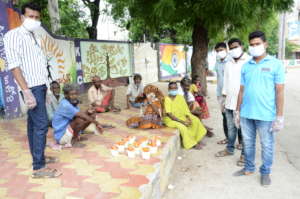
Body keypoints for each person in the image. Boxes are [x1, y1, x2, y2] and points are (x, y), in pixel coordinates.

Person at [3, 2, 60, 178]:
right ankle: (39, 167)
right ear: (22, 17)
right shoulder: (13, 36)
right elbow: (14, 66)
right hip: (31, 87)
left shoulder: (34, 36)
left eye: (36, 17)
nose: (34, 20)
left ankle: (38, 157)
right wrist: (26, 91)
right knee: (42, 125)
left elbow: (39, 65)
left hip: (40, 86)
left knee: (33, 124)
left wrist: (47, 89)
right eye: (30, 16)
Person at [235, 31, 285, 186]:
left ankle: (265, 172)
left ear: (265, 44)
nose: (254, 47)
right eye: (252, 44)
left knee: (267, 145)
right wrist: (237, 111)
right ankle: (249, 167)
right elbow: (241, 90)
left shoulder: (275, 64)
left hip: (266, 115)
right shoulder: (246, 66)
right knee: (248, 143)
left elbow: (280, 91)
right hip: (246, 113)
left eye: (258, 44)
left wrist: (280, 116)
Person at [215, 38, 250, 167]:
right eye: (232, 48)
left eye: (236, 47)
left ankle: (245, 155)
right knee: (231, 129)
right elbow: (225, 82)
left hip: (243, 103)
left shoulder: (249, 61)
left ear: (241, 46)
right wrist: (223, 99)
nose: (234, 50)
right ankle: (229, 149)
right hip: (229, 101)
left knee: (245, 130)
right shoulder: (229, 63)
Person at [52, 83, 104, 148]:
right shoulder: (65, 104)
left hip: (67, 131)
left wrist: (87, 112)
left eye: (76, 94)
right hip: (61, 137)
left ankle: (76, 136)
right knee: (80, 120)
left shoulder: (71, 102)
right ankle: (74, 141)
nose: (74, 96)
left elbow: (77, 115)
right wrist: (97, 123)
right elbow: (80, 116)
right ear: (66, 95)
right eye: (72, 94)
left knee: (91, 116)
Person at [163, 82, 207, 150]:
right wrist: (183, 122)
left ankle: (196, 139)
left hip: (182, 115)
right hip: (171, 119)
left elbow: (186, 110)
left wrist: (188, 117)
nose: (174, 90)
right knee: (182, 127)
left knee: (195, 120)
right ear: (169, 89)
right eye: (172, 88)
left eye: (175, 88)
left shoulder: (180, 97)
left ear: (177, 88)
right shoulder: (167, 99)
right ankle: (191, 144)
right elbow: (169, 114)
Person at [214, 42, 229, 145]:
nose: (220, 52)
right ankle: (227, 138)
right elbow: (219, 78)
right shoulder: (217, 62)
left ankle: (241, 142)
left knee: (236, 118)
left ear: (226, 50)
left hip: (230, 94)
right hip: (220, 94)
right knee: (224, 117)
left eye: (221, 50)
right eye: (218, 51)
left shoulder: (231, 61)